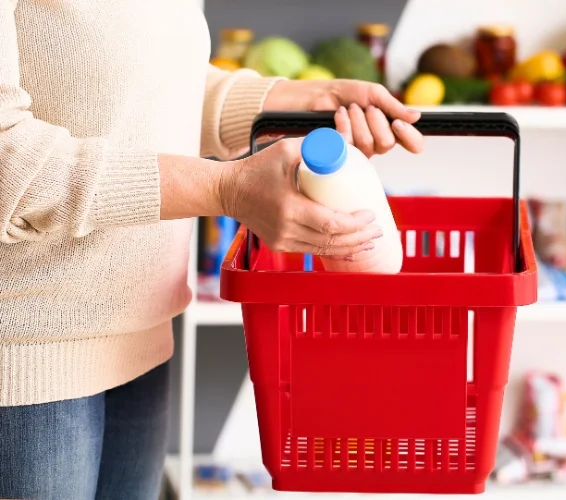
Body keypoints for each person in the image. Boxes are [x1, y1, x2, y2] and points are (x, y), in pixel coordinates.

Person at [0, 2, 424, 499]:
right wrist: (228, 190)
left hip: (142, 334)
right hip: (27, 357)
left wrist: (297, 98)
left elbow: (153, 82)